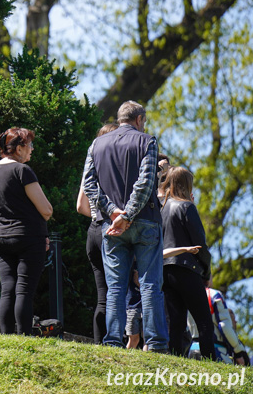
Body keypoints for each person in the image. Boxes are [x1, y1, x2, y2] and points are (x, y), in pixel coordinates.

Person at [82, 100, 169, 351]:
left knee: (115, 287)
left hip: (111, 226)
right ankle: (156, 344)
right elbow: (146, 182)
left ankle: (112, 341)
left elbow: (89, 185)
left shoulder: (96, 144)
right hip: (145, 221)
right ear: (140, 119)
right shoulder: (148, 141)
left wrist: (113, 212)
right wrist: (128, 214)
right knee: (151, 284)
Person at [0, 127, 53, 334]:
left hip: (1, 236)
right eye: (29, 145)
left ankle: (7, 336)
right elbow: (46, 210)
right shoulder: (22, 171)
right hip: (28, 237)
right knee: (24, 289)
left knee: (8, 288)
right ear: (18, 148)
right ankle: (23, 335)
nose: (32, 149)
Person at [161, 166, 215, 359]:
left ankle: (175, 360)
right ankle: (210, 360)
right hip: (187, 268)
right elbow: (200, 244)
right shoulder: (187, 207)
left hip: (166, 269)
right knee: (204, 322)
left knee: (175, 322)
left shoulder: (162, 209)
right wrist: (206, 272)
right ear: (187, 184)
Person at [75, 122, 118, 343]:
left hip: (93, 231)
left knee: (103, 295)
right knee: (119, 293)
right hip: (110, 229)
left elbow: (80, 206)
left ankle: (100, 343)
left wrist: (95, 216)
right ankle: (117, 342)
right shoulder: (114, 167)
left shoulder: (90, 166)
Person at [188, 281, 249, 365]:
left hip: (192, 349)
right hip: (217, 350)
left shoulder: (188, 295)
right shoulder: (214, 294)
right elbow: (224, 326)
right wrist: (238, 351)